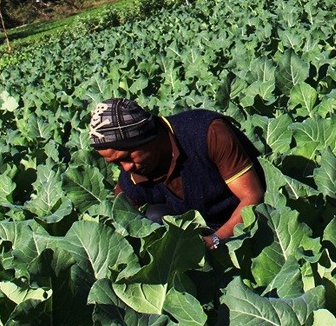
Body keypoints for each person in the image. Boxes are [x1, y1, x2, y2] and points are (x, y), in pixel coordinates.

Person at [89, 98, 266, 249]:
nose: (126, 168)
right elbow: (122, 222)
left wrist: (215, 240)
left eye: (127, 156)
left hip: (252, 228)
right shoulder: (131, 178)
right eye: (116, 163)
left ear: (147, 136)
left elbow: (252, 196)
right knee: (153, 217)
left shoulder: (206, 133)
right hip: (198, 235)